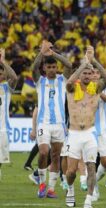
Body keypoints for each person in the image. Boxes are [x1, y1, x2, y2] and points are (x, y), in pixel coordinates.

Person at [65, 46, 106, 208]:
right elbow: (69, 81)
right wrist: (84, 63)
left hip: (90, 132)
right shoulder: (72, 88)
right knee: (71, 171)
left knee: (91, 166)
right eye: (84, 73)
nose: (87, 75)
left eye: (90, 73)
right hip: (74, 133)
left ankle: (88, 199)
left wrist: (93, 60)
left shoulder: (95, 89)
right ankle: (70, 189)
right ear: (80, 73)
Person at [32, 40, 72, 198]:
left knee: (56, 156)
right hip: (44, 123)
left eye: (54, 66)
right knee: (43, 152)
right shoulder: (39, 81)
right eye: (48, 67)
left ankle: (51, 188)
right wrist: (42, 53)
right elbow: (33, 68)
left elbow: (68, 65)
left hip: (60, 125)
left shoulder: (62, 80)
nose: (52, 69)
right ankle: (42, 182)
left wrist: (53, 53)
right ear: (44, 68)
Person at [91, 68, 106, 201]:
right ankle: (92, 189)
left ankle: (93, 182)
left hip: (104, 130)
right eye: (92, 72)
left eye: (97, 73)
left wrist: (97, 91)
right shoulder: (83, 86)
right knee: (91, 162)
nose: (94, 75)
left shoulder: (105, 87)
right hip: (89, 130)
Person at [0, 48, 18, 180]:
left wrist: (3, 61)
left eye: (1, 73)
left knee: (2, 155)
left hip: (2, 127)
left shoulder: (6, 88)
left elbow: (14, 77)